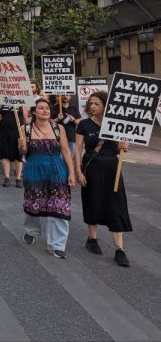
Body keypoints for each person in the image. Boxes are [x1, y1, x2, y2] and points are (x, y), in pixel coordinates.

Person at [75, 91, 132, 267]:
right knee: (93, 202)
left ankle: (120, 249)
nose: (92, 106)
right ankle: (92, 239)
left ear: (106, 105)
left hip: (113, 170)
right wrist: (78, 171)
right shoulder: (84, 125)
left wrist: (124, 146)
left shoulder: (116, 125)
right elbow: (77, 150)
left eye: (97, 103)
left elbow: (121, 149)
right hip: (91, 169)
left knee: (116, 205)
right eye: (90, 103)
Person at [19, 98, 76, 259]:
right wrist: (22, 145)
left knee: (59, 205)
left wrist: (71, 172)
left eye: (47, 108)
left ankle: (56, 244)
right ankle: (31, 231)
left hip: (57, 170)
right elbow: (23, 152)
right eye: (41, 108)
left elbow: (65, 151)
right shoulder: (25, 129)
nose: (45, 110)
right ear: (34, 111)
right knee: (33, 205)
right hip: (34, 169)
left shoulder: (59, 128)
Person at [0, 104, 24, 187]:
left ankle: (18, 178)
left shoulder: (21, 104)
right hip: (4, 132)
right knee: (5, 154)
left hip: (17, 132)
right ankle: (7, 178)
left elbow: (25, 119)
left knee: (18, 155)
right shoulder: (2, 104)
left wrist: (24, 133)